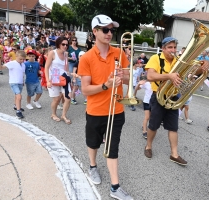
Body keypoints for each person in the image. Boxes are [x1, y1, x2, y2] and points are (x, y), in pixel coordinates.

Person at [78, 14, 133, 200]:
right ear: (95, 32)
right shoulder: (86, 58)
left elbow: (128, 79)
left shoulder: (119, 53)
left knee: (112, 147)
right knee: (93, 143)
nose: (109, 33)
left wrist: (121, 77)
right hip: (95, 110)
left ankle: (115, 187)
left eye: (112, 30)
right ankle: (92, 166)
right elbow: (85, 89)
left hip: (116, 109)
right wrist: (106, 85)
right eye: (105, 29)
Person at [144, 36, 209, 165]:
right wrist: (169, 76)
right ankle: (148, 146)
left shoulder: (178, 60)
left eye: (174, 47)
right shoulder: (155, 58)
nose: (173, 50)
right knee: (153, 125)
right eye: (169, 47)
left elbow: (191, 72)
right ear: (163, 48)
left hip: (174, 97)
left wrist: (203, 67)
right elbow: (150, 76)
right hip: (158, 96)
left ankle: (174, 154)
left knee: (173, 127)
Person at [45, 36, 72, 124]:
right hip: (55, 77)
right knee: (56, 99)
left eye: (66, 45)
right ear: (58, 44)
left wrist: (71, 78)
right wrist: (48, 81)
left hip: (64, 78)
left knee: (68, 98)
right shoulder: (52, 53)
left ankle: (63, 115)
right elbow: (46, 67)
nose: (65, 46)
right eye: (63, 44)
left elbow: (66, 69)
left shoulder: (66, 54)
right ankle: (53, 114)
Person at [0, 50, 26, 118]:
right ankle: (18, 111)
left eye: (23, 59)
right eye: (20, 59)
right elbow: (0, 67)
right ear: (16, 57)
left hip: (20, 82)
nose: (22, 60)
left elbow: (21, 73)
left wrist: (22, 81)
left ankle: (16, 106)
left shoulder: (23, 64)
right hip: (13, 82)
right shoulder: (12, 63)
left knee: (17, 95)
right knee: (19, 96)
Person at [134, 74, 153, 139]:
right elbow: (137, 89)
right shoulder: (146, 83)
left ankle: (145, 126)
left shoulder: (158, 83)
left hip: (154, 102)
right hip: (147, 102)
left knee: (151, 117)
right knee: (147, 117)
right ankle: (144, 131)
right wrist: (139, 84)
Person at [67, 36, 81, 105]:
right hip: (71, 64)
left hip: (77, 64)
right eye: (73, 40)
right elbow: (65, 56)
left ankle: (73, 97)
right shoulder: (69, 47)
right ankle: (69, 95)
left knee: (76, 83)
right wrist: (70, 58)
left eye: (75, 40)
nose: (74, 41)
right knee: (71, 79)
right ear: (71, 41)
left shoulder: (79, 49)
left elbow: (81, 56)